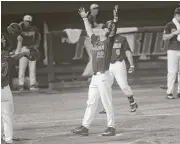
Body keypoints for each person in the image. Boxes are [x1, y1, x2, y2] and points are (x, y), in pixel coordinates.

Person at [71, 5, 119, 136]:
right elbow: (89, 31)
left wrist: (115, 20)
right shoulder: (96, 42)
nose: (103, 30)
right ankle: (85, 127)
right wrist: (85, 19)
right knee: (91, 102)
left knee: (106, 102)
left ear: (107, 32)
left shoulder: (108, 43)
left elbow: (114, 31)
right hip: (95, 77)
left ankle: (111, 127)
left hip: (104, 75)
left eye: (105, 29)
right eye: (104, 28)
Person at [1, 33, 30, 144]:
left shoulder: (6, 55)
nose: (3, 40)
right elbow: (17, 55)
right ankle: (8, 139)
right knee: (7, 116)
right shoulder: (6, 55)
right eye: (1, 39)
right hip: (4, 90)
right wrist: (23, 48)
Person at [99, 35, 138, 114]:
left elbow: (127, 51)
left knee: (123, 85)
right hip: (107, 65)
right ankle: (106, 107)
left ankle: (132, 102)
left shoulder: (122, 38)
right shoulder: (104, 38)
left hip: (119, 64)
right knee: (105, 85)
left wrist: (132, 65)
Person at [18, 15, 41, 91]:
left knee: (32, 68)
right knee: (22, 67)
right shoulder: (20, 29)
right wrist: (20, 24)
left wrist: (35, 46)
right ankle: (21, 85)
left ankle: (32, 85)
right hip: (24, 48)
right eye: (26, 21)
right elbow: (15, 31)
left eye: (29, 22)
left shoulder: (34, 29)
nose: (27, 23)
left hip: (32, 49)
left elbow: (38, 38)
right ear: (23, 21)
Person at [163, 8, 180, 99]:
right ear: (175, 15)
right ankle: (169, 92)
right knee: (172, 72)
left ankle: (179, 91)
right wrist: (174, 33)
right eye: (178, 15)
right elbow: (165, 37)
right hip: (173, 50)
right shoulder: (170, 25)